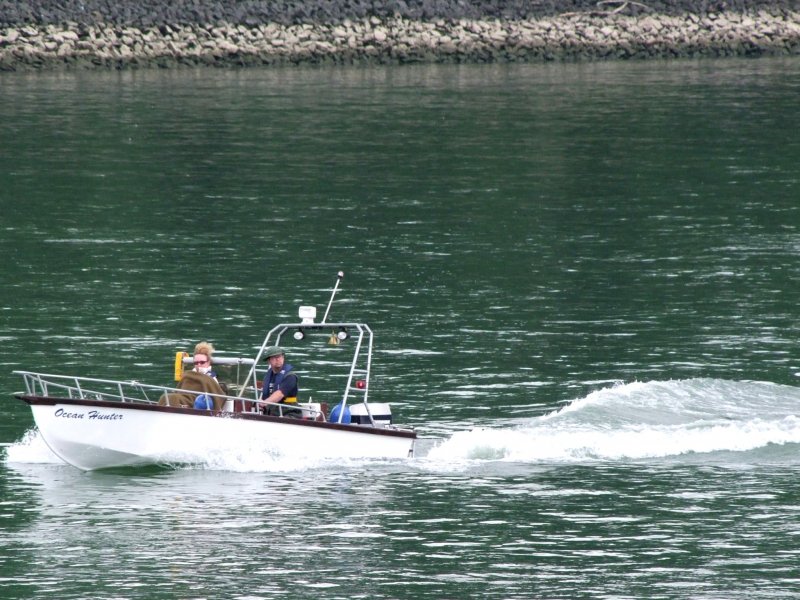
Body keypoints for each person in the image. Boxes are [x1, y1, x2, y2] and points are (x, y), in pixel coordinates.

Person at [158, 341, 225, 410]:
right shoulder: (188, 374)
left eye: (202, 362)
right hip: (183, 397)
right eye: (196, 363)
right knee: (166, 396)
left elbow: (218, 397)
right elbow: (179, 389)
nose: (199, 365)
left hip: (195, 401)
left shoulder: (211, 378)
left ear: (208, 362)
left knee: (173, 398)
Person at [258, 346, 300, 417]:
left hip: (289, 412)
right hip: (273, 412)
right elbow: (265, 393)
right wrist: (259, 401)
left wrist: (264, 403)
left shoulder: (290, 377)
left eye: (279, 356)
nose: (277, 359)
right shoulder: (268, 377)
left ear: (283, 358)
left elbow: (279, 394)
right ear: (269, 361)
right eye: (274, 357)